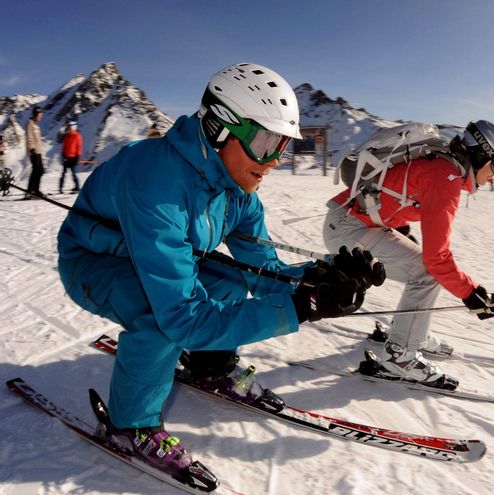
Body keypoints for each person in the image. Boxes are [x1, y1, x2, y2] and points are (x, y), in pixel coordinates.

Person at [57, 63, 383, 483]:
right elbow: (182, 316)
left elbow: (263, 270)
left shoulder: (239, 190)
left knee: (228, 276)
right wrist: (304, 307)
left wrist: (322, 276)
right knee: (161, 320)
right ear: (219, 128)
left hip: (162, 257)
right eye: (266, 141)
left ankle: (208, 364)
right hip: (95, 261)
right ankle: (130, 425)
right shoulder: (155, 180)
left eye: (283, 144)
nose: (276, 160)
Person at [322, 120, 494, 389]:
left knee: (424, 268)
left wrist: (402, 231)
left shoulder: (442, 166)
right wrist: (471, 293)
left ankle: (411, 336)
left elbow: (397, 192)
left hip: (351, 222)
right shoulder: (446, 177)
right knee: (426, 272)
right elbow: (437, 259)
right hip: (347, 229)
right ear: (482, 155)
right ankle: (400, 357)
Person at [25, 106, 44, 198]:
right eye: (40, 114)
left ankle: (35, 190)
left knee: (40, 171)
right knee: (36, 171)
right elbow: (29, 137)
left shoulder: (36, 125)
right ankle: (30, 191)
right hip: (34, 152)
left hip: (38, 151)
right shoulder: (30, 123)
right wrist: (32, 148)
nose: (41, 116)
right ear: (36, 114)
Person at [59, 121, 82, 193]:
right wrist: (63, 154)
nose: (68, 128)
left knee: (73, 173)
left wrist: (78, 156)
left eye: (70, 126)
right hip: (67, 157)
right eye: (68, 126)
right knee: (64, 173)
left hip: (73, 158)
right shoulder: (67, 136)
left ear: (73, 127)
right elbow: (64, 146)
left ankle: (77, 187)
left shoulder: (77, 136)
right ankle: (60, 187)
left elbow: (79, 147)